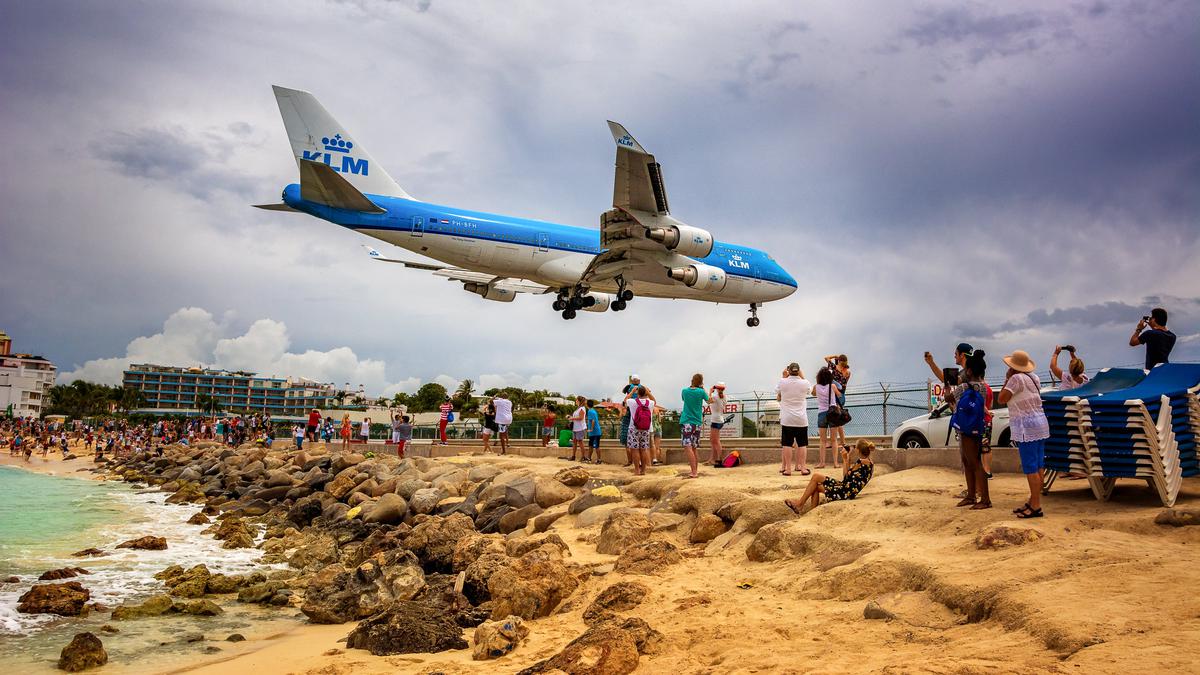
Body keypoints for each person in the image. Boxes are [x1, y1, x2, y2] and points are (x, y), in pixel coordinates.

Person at [1000, 350, 1051, 518]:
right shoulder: (1033, 378)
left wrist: (1007, 378)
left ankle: (1035, 506)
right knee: (1038, 465)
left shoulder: (1015, 379)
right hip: (1040, 424)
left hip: (1026, 426)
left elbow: (1002, 398)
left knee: (1030, 467)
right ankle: (1033, 500)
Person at [946, 350, 991, 510]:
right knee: (971, 460)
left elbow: (948, 399)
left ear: (969, 371)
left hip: (966, 428)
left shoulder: (964, 387)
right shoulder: (983, 388)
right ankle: (972, 496)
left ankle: (984, 498)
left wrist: (947, 386)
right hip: (978, 426)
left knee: (973, 462)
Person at [785, 440, 876, 514]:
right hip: (847, 489)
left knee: (816, 476)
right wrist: (846, 459)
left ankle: (800, 504)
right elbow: (847, 478)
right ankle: (811, 513)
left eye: (855, 447)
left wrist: (846, 459)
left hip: (846, 492)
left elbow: (846, 478)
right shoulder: (869, 463)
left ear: (858, 450)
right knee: (815, 487)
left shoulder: (861, 462)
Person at [776, 363, 812, 476]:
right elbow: (809, 390)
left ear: (789, 370)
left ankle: (787, 469)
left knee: (787, 444)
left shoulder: (782, 381)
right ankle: (803, 468)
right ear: (799, 371)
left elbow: (777, 391)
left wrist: (784, 377)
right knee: (802, 444)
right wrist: (803, 376)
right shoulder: (805, 383)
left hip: (787, 419)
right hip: (801, 419)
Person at [680, 374, 711, 479]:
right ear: (701, 382)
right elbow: (709, 401)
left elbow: (684, 400)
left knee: (687, 446)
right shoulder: (701, 392)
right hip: (697, 422)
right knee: (694, 447)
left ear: (692, 380)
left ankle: (693, 472)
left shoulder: (684, 391)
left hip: (687, 421)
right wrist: (705, 390)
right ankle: (695, 471)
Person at [814, 366, 841, 469]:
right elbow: (839, 395)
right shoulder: (833, 386)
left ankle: (822, 463)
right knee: (834, 440)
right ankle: (835, 463)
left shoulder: (816, 387)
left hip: (821, 413)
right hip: (833, 413)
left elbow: (813, 393)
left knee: (822, 440)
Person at [625, 385, 655, 476]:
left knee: (635, 450)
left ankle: (637, 470)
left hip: (634, 428)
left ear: (637, 393)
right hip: (645, 429)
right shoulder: (650, 403)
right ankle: (643, 471)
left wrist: (632, 391)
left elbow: (625, 400)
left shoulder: (632, 402)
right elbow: (654, 400)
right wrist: (648, 392)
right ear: (646, 393)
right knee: (644, 449)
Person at [825, 355, 851, 453]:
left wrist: (834, 356)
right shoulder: (848, 372)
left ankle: (834, 442)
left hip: (835, 395)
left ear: (838, 361)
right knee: (838, 419)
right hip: (842, 396)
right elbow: (844, 384)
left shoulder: (835, 368)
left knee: (834, 418)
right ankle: (842, 441)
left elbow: (826, 358)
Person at [708, 382, 727, 466]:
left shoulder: (715, 397)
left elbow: (708, 401)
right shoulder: (724, 397)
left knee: (715, 441)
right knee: (713, 441)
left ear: (717, 388)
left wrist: (710, 392)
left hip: (715, 420)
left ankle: (719, 460)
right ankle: (712, 459)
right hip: (720, 419)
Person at [569, 396, 587, 461]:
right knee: (575, 442)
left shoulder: (582, 408)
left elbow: (581, 418)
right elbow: (577, 417)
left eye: (576, 400)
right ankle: (573, 456)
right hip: (575, 428)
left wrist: (572, 418)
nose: (575, 401)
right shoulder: (578, 408)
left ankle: (583, 456)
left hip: (580, 428)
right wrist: (570, 417)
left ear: (579, 401)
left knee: (580, 442)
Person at [586, 399, 603, 464]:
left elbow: (593, 420)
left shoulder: (590, 411)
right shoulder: (593, 411)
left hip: (595, 432)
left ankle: (599, 459)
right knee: (590, 446)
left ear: (587, 405)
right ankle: (589, 458)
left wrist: (591, 429)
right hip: (593, 433)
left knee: (596, 446)